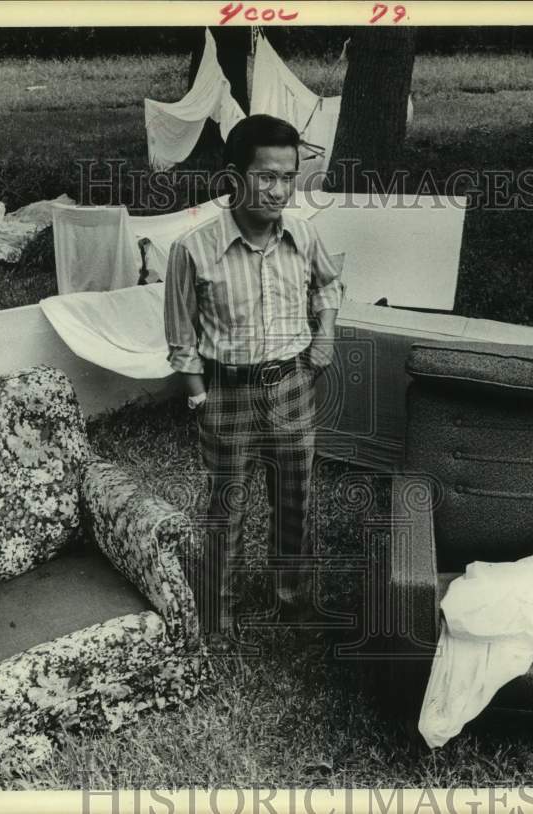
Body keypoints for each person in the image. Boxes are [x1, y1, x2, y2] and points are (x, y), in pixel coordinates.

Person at [163, 114, 344, 652]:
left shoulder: (304, 235)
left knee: (297, 499)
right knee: (226, 509)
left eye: (288, 177)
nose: (278, 190)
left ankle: (294, 602)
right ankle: (216, 620)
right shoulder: (193, 250)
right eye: (266, 176)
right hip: (227, 393)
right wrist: (200, 397)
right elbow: (180, 335)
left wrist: (325, 335)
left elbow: (329, 287)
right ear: (234, 177)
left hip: (291, 386)